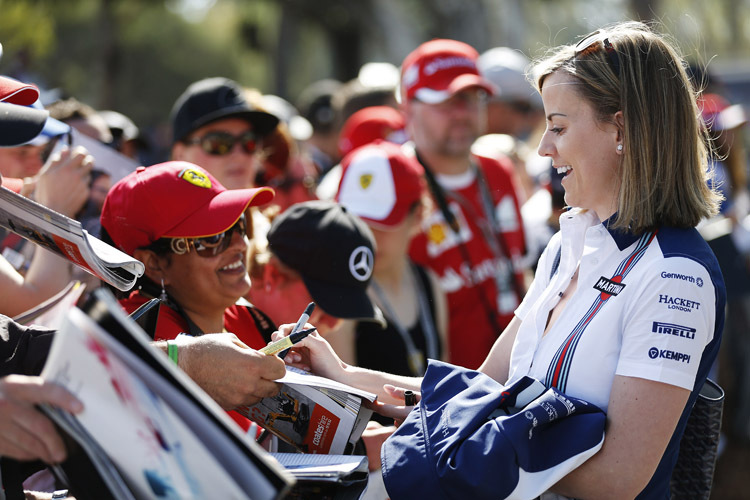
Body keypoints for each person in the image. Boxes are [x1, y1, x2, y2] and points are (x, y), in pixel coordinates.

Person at [277, 21, 725, 498]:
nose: (543, 148)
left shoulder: (678, 275)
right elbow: (482, 392)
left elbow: (620, 475)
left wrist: (433, 446)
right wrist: (342, 376)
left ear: (621, 128)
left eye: (558, 127)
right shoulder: (566, 245)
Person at [100, 161, 286, 431]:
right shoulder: (137, 336)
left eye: (239, 224)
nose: (240, 244)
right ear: (154, 263)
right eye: (213, 237)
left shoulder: (247, 316)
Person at [400, 39, 528, 369]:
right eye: (445, 102)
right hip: (446, 391)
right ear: (408, 108)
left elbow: (519, 269)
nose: (461, 113)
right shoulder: (396, 183)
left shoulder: (498, 169)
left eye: (470, 99)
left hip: (520, 377)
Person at [333, 140, 447, 375]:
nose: (368, 236)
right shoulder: (337, 295)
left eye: (383, 223)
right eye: (356, 222)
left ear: (417, 216)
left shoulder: (430, 283)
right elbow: (342, 400)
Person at [247, 199, 384, 335]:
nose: (333, 324)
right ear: (272, 275)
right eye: (325, 303)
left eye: (345, 309)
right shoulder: (227, 336)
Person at [169, 77, 279, 191]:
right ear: (180, 155)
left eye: (248, 141)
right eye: (218, 143)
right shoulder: (156, 209)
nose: (239, 155)